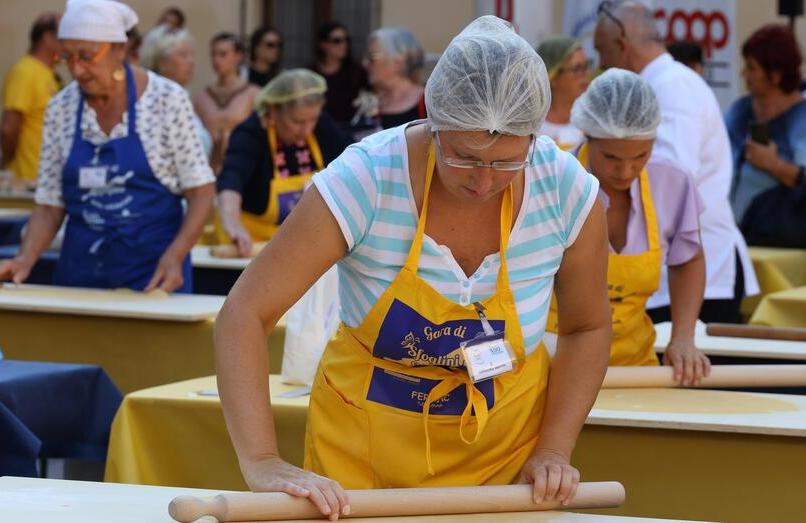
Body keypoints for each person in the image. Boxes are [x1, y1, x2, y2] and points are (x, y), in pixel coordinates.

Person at [214, 16, 610, 516]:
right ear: (433, 123)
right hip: (361, 461)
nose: (484, 182)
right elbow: (245, 313)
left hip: (503, 461)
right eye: (465, 157)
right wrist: (262, 460)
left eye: (507, 162)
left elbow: (587, 327)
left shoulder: (565, 189)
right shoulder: (369, 178)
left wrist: (553, 449)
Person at [0, 0, 215, 293]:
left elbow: (201, 193)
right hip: (81, 280)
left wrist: (176, 256)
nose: (77, 69)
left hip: (155, 280)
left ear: (120, 49)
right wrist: (24, 259)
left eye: (87, 57)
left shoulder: (166, 100)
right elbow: (50, 205)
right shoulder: (61, 108)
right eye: (67, 57)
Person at [595, 0, 758, 323]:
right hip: (675, 269)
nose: (600, 64)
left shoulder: (672, 87)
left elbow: (670, 183)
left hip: (698, 274)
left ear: (622, 43)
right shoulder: (663, 84)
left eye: (601, 51)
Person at [548, 68, 709, 384]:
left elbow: (688, 260)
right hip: (554, 366)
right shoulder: (554, 179)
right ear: (587, 136)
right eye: (611, 158)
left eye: (640, 156)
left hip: (635, 370)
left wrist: (683, 336)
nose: (626, 171)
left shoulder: (672, 182)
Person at [217, 69, 350, 255]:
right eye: (297, 122)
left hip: (301, 247)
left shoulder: (321, 127)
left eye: (313, 120)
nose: (306, 130)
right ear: (273, 111)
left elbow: (351, 163)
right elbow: (232, 178)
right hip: (251, 248)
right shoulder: (251, 134)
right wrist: (231, 221)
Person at [725, 25, 806, 224]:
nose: (744, 74)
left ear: (776, 75)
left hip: (782, 238)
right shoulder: (739, 110)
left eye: (751, 68)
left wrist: (774, 165)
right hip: (732, 233)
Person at [1, 13, 61, 187]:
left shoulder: (49, 73)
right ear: (48, 38)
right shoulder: (25, 72)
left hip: (48, 181)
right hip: (28, 181)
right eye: (64, 35)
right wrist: (5, 163)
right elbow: (9, 128)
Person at [138, 24, 212, 157]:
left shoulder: (183, 96)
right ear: (162, 62)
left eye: (192, 54)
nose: (191, 61)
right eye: (183, 55)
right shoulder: (154, 100)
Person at [193, 32, 259, 172]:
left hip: (242, 167)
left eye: (223, 54)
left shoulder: (253, 94)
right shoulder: (201, 98)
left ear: (238, 56)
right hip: (208, 168)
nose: (216, 60)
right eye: (213, 55)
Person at [363, 27, 426, 129]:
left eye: (372, 57)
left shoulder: (429, 102)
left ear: (398, 61)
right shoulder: (372, 105)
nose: (365, 63)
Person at [535, 36, 590, 150]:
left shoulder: (593, 121)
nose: (586, 74)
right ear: (552, 76)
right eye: (577, 68)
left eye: (586, 66)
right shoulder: (531, 126)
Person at [311, 21, 368, 127]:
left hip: (351, 129)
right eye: (337, 41)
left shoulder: (357, 71)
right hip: (319, 128)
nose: (343, 45)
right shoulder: (311, 73)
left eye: (346, 40)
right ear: (323, 44)